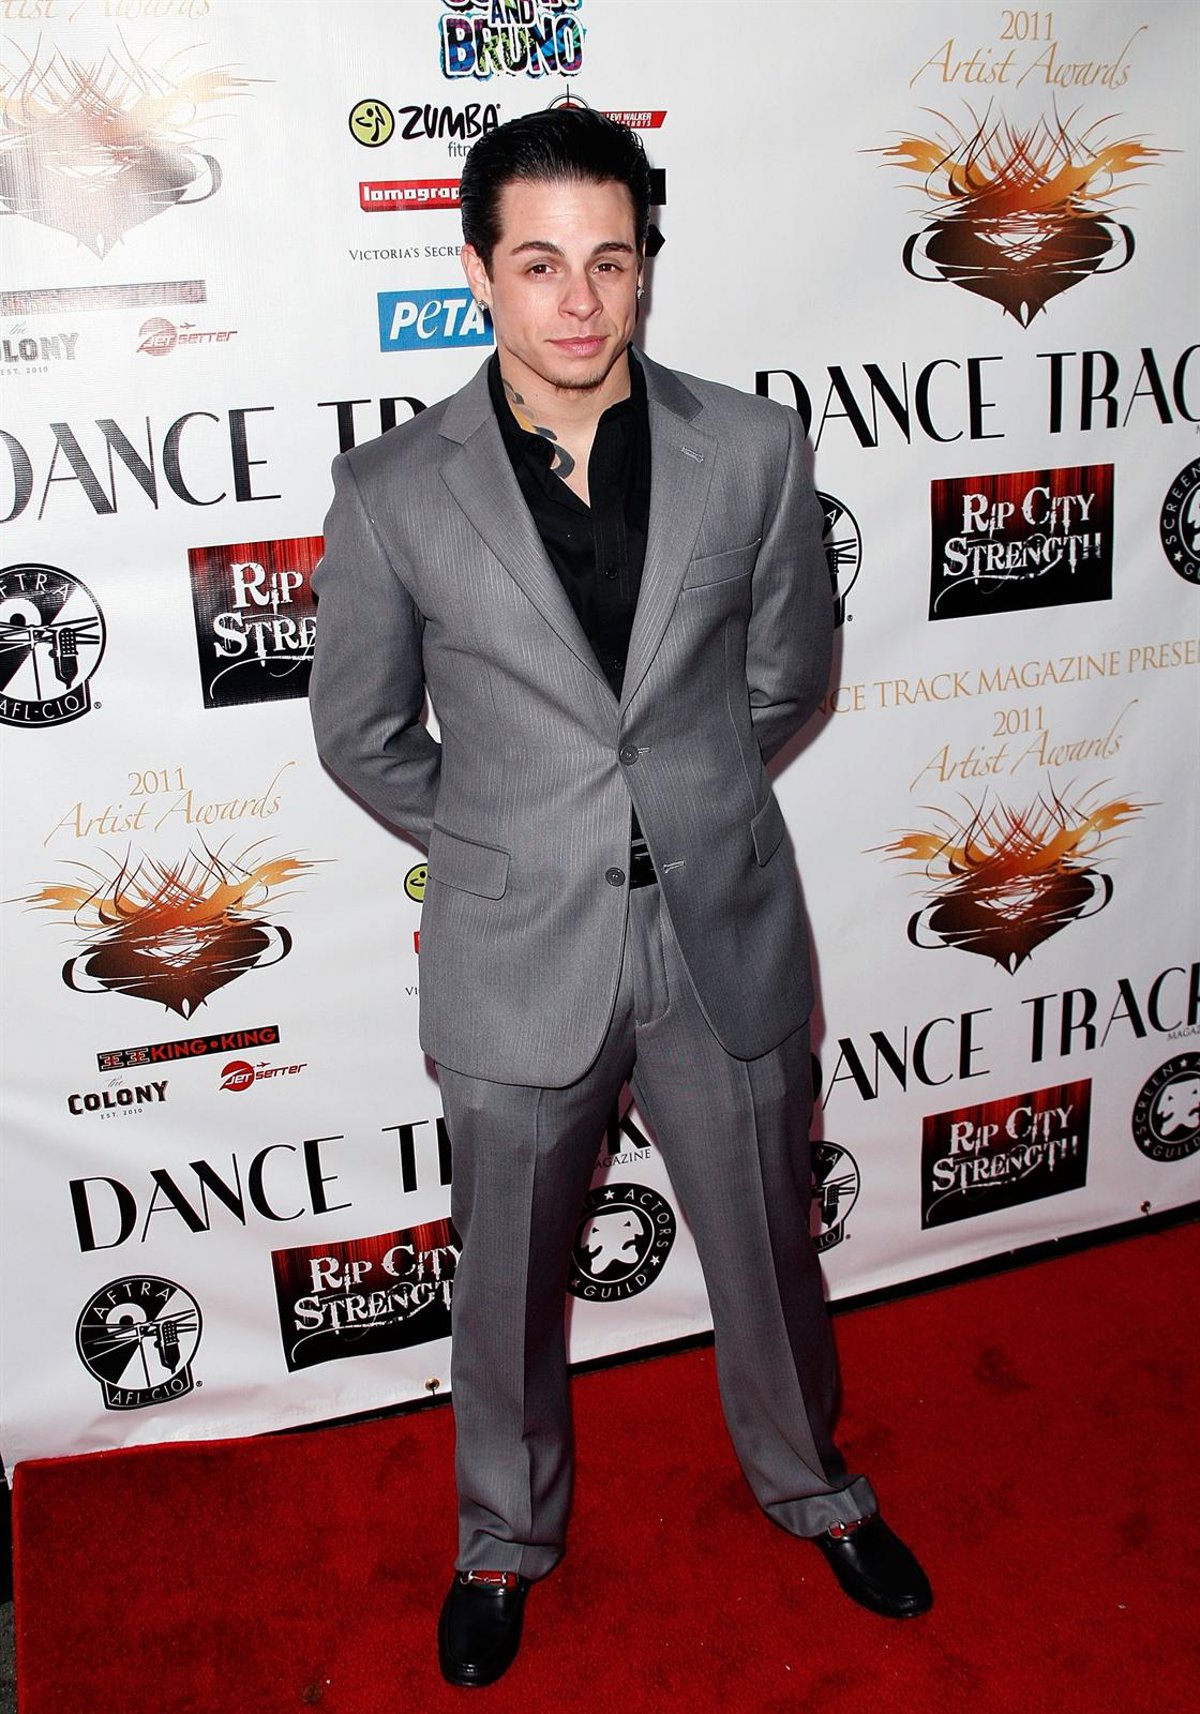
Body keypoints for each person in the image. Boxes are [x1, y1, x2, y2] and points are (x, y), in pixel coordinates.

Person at [309, 106, 931, 1690]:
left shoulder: (755, 449)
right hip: (517, 948)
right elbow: (361, 731)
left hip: (719, 929)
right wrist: (510, 839)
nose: (579, 300)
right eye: (538, 264)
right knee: (508, 1280)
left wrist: (684, 804)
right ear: (477, 273)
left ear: (646, 262)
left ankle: (813, 1483)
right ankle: (501, 1538)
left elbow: (788, 675)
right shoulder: (390, 489)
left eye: (610, 259)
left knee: (768, 1247)